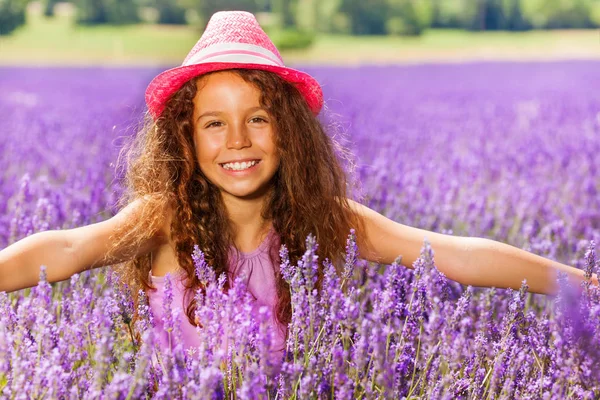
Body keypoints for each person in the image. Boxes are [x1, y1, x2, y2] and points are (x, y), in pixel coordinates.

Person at [0, 11, 597, 369]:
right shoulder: (165, 218)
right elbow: (66, 249)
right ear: (185, 139)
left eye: (259, 117)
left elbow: (450, 252)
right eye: (214, 123)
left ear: (289, 132)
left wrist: (580, 286)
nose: (238, 139)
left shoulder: (323, 219)